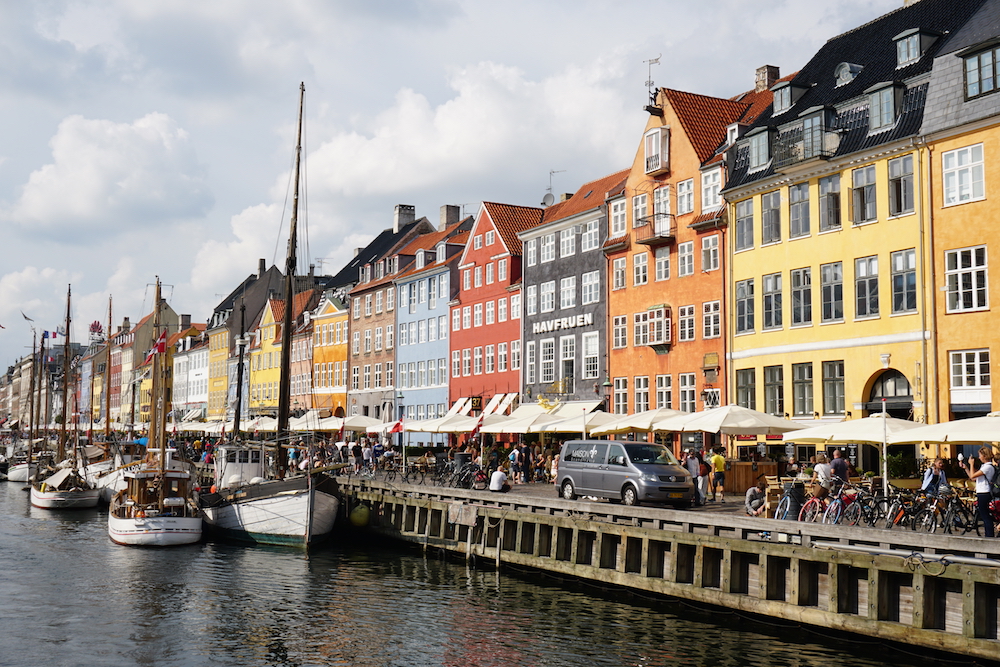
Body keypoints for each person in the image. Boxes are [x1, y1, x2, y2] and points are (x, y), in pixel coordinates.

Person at [961, 446, 996, 538]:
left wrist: (971, 464)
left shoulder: (988, 467)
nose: (979, 457)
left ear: (984, 456)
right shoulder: (984, 466)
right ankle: (988, 534)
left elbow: (972, 476)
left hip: (985, 492)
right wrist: (966, 468)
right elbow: (973, 478)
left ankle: (989, 535)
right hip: (981, 492)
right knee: (983, 514)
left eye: (980, 455)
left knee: (985, 515)